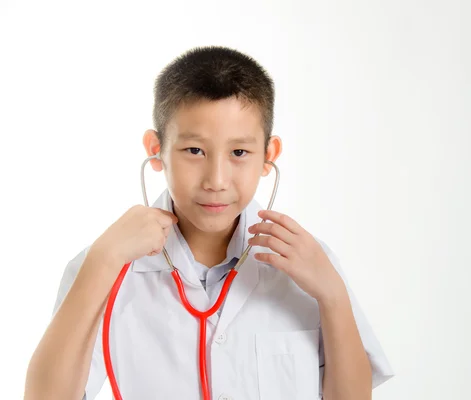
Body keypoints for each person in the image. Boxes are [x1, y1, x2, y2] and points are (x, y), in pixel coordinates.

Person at [24, 46, 394, 400]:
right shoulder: (106, 265)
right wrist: (102, 262)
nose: (216, 179)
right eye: (195, 150)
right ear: (156, 150)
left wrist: (333, 296)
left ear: (269, 155)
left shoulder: (311, 264)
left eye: (239, 152)